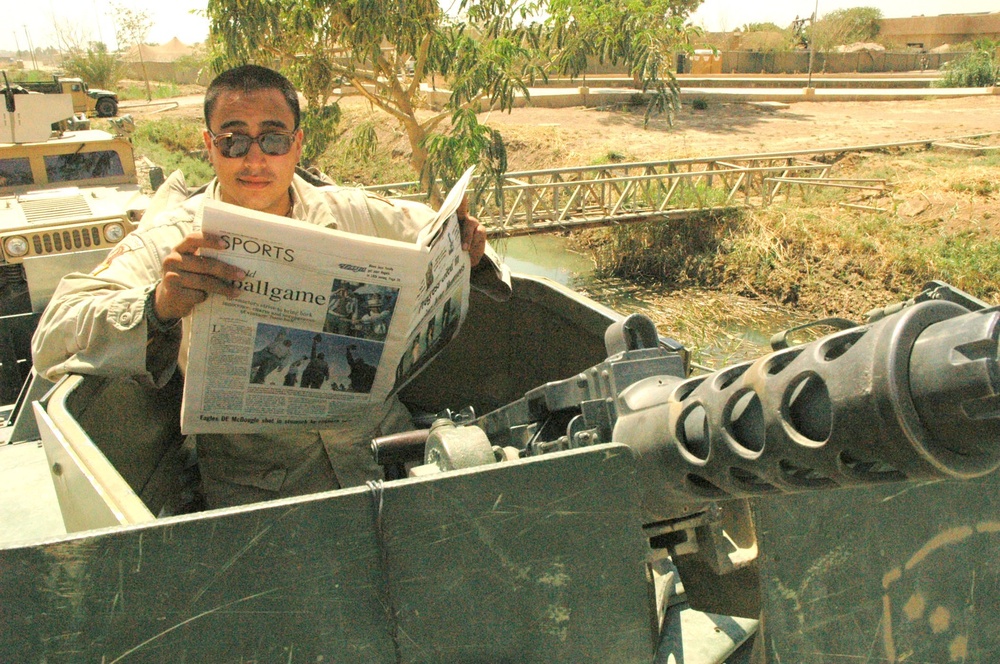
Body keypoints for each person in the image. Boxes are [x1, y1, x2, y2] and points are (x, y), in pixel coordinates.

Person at [31, 64, 510, 509]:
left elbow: (439, 232)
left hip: (386, 460)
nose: (255, 158)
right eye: (234, 141)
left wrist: (469, 247)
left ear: (298, 144)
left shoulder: (351, 212)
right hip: (260, 496)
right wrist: (158, 306)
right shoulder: (171, 240)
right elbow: (53, 335)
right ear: (209, 145)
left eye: (274, 139)